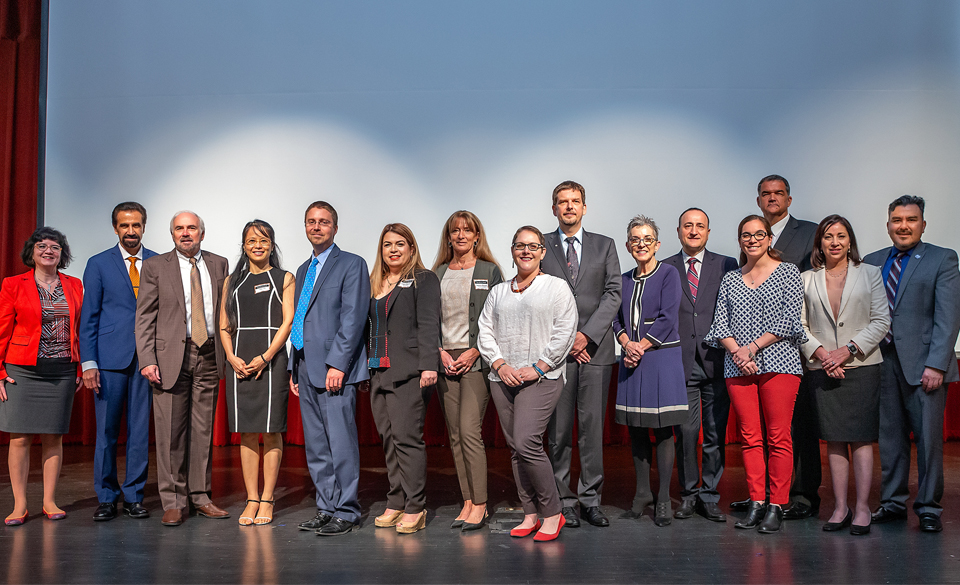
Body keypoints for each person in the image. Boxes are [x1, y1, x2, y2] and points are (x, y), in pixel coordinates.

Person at [864, 195, 960, 533]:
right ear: (888, 224)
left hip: (925, 368)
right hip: (882, 363)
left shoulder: (942, 258)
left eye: (911, 219)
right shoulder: (872, 261)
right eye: (897, 220)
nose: (903, 225)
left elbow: (948, 317)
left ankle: (929, 507)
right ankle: (892, 503)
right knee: (890, 440)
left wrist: (936, 364)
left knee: (929, 441)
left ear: (922, 224)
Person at [705, 214, 805, 534]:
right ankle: (756, 502)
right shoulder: (731, 278)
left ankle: (776, 504)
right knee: (750, 439)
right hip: (738, 367)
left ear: (769, 238)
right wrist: (738, 352)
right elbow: (720, 325)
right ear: (739, 241)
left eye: (759, 234)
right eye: (746, 235)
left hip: (780, 363)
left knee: (778, 437)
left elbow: (789, 321)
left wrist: (751, 348)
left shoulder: (788, 272)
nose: (752, 240)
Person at [478, 226, 577, 542]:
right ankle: (530, 512)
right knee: (516, 449)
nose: (526, 251)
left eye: (533, 246)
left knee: (526, 442)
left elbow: (565, 331)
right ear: (512, 250)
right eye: (520, 246)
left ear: (543, 252)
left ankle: (553, 512)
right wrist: (499, 364)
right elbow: (485, 331)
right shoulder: (499, 292)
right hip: (503, 378)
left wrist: (539, 366)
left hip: (542, 377)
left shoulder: (556, 288)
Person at [135, 210, 230, 527]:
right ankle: (174, 501)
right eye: (179, 229)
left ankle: (200, 497)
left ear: (202, 233)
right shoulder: (154, 266)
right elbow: (145, 317)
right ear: (172, 234)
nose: (185, 233)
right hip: (169, 358)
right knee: (170, 434)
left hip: (209, 353)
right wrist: (147, 359)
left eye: (191, 228)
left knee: (203, 431)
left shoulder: (219, 263)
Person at [800, 214, 889, 535]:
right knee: (834, 440)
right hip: (822, 368)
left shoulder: (871, 274)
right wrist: (824, 354)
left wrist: (847, 350)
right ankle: (840, 507)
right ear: (819, 243)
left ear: (850, 240)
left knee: (862, 438)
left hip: (862, 367)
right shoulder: (807, 279)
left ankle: (863, 507)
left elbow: (881, 321)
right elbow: (800, 326)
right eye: (828, 237)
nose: (834, 242)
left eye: (840, 236)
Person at [540, 180, 621, 528]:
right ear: (554, 208)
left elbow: (614, 292)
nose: (569, 207)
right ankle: (562, 500)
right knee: (558, 431)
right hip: (556, 354)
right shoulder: (541, 245)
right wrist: (566, 339)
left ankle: (590, 499)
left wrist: (585, 336)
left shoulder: (605, 245)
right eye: (562, 202)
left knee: (590, 430)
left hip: (596, 351)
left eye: (575, 201)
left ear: (584, 208)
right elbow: (536, 293)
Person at [289, 202, 370, 536]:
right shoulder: (302, 269)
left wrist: (339, 363)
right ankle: (326, 506)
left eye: (324, 222)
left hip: (334, 368)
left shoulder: (352, 264)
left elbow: (352, 319)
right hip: (305, 367)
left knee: (341, 442)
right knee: (317, 445)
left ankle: (347, 510)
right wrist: (294, 368)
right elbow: (301, 319)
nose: (317, 227)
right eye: (311, 221)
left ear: (335, 228)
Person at [0, 227, 83, 525]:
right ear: (31, 252)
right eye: (42, 246)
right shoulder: (14, 284)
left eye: (55, 246)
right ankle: (19, 504)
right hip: (22, 368)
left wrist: (81, 365)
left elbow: (80, 329)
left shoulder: (74, 284)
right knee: (19, 437)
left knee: (53, 437)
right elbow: (2, 329)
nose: (49, 250)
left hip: (61, 369)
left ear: (62, 253)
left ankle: (49, 500)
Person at [80, 202, 156, 522]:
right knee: (107, 433)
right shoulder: (98, 263)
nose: (130, 231)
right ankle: (107, 497)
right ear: (115, 228)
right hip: (109, 360)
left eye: (136, 225)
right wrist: (89, 363)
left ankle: (134, 496)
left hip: (147, 360)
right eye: (124, 225)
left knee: (139, 433)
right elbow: (89, 318)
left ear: (143, 226)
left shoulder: (157, 262)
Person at [752, 174, 822, 521]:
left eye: (779, 193)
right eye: (766, 194)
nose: (772, 199)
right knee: (771, 429)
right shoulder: (752, 236)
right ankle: (769, 495)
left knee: (801, 426)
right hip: (759, 351)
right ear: (758, 200)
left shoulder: (809, 233)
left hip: (799, 343)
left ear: (789, 200)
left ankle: (804, 495)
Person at [662, 208, 739, 522]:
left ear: (708, 231)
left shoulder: (726, 264)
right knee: (687, 432)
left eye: (700, 226)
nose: (693, 231)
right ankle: (689, 494)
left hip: (718, 361)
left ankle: (709, 495)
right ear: (678, 230)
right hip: (680, 363)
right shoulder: (664, 267)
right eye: (688, 226)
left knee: (714, 433)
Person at [612, 216, 688, 527]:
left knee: (664, 430)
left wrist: (639, 346)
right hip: (632, 359)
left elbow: (668, 317)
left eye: (646, 239)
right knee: (637, 429)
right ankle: (641, 493)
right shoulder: (623, 278)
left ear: (656, 244)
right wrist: (627, 343)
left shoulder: (669, 273)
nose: (640, 244)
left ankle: (663, 500)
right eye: (634, 239)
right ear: (628, 245)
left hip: (660, 359)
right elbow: (616, 319)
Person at [219, 220, 295, 526]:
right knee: (247, 431)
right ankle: (251, 498)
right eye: (251, 241)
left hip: (271, 359)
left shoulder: (284, 278)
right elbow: (224, 326)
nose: (258, 245)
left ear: (272, 245)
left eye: (264, 240)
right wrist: (231, 357)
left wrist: (265, 357)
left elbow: (287, 322)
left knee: (271, 429)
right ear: (244, 245)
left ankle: (268, 498)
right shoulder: (231, 281)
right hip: (238, 361)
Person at [432, 211, 503, 531]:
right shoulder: (437, 273)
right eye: (455, 230)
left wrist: (476, 350)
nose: (461, 235)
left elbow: (499, 319)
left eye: (467, 230)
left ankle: (482, 503)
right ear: (448, 237)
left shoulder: (490, 271)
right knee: (456, 436)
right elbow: (428, 320)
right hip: (445, 360)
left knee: (470, 431)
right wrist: (440, 353)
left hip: (478, 360)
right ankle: (468, 502)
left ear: (477, 235)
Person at [368, 223, 440, 534]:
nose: (393, 249)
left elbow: (428, 324)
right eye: (387, 244)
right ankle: (396, 501)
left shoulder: (423, 279)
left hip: (409, 372)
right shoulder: (375, 283)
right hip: (377, 372)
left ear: (411, 248)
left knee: (408, 440)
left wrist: (429, 366)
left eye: (400, 243)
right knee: (388, 439)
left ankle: (415, 506)